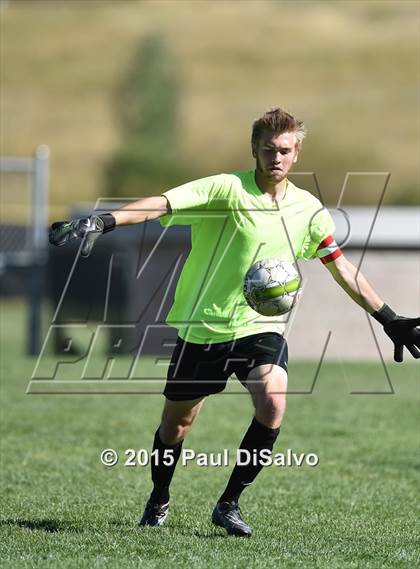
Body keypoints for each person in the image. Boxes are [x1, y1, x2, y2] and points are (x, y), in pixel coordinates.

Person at [49, 108, 419, 537]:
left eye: (284, 150)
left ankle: (228, 504)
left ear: (297, 153)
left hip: (261, 328)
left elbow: (341, 268)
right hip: (203, 327)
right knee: (176, 426)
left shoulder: (308, 210)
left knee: (273, 402)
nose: (276, 157)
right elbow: (162, 204)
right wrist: (105, 220)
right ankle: (159, 497)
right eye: (268, 149)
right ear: (254, 150)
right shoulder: (226, 189)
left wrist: (388, 318)